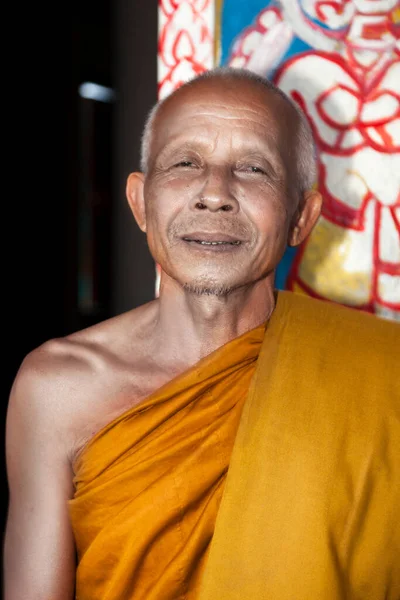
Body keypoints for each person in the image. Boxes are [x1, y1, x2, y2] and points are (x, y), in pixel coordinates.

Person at [3, 67, 399, 600]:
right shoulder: (57, 387)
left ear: (301, 218)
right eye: (185, 163)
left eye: (255, 168)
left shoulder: (379, 374)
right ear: (141, 203)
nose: (215, 194)